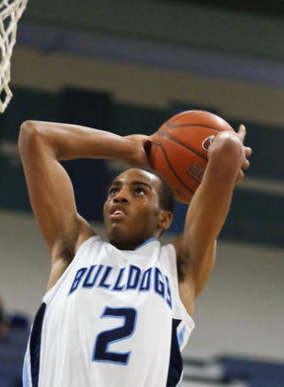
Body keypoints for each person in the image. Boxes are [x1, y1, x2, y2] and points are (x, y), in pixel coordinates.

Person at [17, 120, 251, 386]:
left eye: (138, 191)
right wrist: (129, 149)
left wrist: (228, 150)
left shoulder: (179, 266)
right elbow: (35, 136)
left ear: (164, 218)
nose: (120, 196)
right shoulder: (74, 249)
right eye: (114, 190)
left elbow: (228, 148)